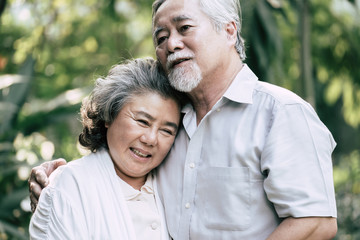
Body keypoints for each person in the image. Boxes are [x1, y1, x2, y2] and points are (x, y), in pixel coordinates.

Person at [29, 0, 338, 239]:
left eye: (184, 28)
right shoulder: (175, 118)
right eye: (161, 37)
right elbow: (123, 166)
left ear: (229, 31)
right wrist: (59, 186)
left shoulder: (279, 113)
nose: (171, 44)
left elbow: (317, 223)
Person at [29, 57, 183, 239]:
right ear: (110, 115)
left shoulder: (175, 185)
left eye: (166, 131)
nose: (150, 139)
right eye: (142, 121)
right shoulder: (72, 186)